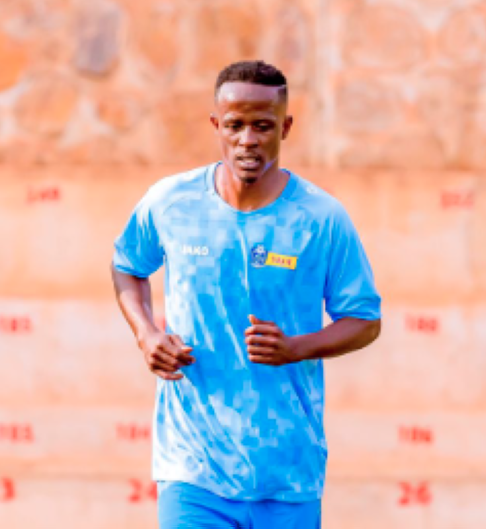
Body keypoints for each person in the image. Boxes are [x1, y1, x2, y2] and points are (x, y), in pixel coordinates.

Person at [111, 60, 382, 528]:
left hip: (288, 473)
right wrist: (146, 334)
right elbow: (127, 266)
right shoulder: (170, 202)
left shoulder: (321, 218)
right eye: (234, 125)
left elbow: (365, 319)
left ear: (286, 127)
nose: (248, 140)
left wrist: (297, 347)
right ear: (216, 125)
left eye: (263, 125)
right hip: (192, 469)